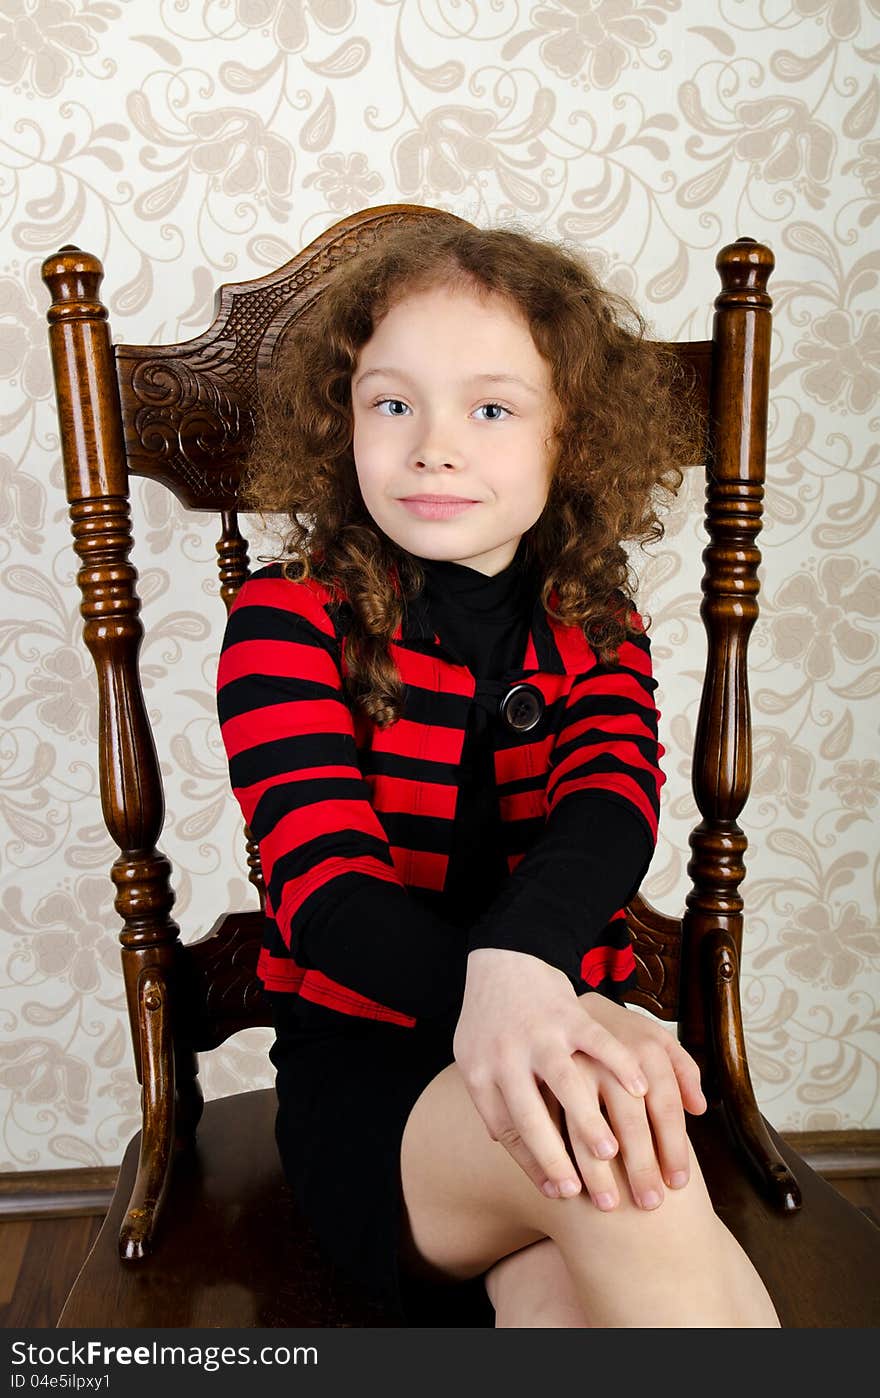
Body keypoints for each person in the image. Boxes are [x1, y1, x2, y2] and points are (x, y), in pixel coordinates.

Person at [215, 216, 781, 1328]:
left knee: (568, 1289)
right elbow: (325, 891)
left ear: (569, 436)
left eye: (490, 408)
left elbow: (609, 813)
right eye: (391, 403)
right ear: (344, 426)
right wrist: (544, 1010)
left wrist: (539, 983)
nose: (434, 446)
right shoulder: (281, 621)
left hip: (558, 1029)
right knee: (615, 1154)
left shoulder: (598, 623)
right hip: (374, 1077)